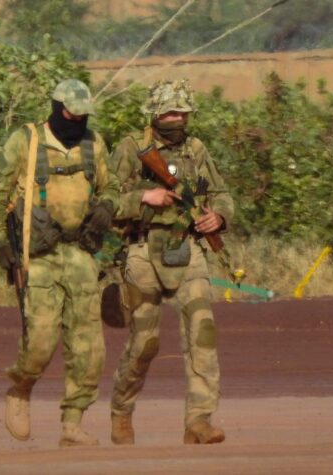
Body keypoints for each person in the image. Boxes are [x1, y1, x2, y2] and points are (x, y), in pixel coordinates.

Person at [0, 79, 120, 447]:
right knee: (41, 341)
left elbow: (112, 186)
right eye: (71, 114)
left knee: (89, 348)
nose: (77, 121)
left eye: (83, 115)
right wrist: (0, 243)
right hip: (38, 257)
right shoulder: (25, 141)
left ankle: (73, 423)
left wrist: (108, 206)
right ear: (57, 108)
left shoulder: (94, 143)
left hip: (81, 254)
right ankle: (21, 388)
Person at [108, 79, 233, 445]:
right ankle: (121, 410)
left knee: (202, 331)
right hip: (142, 252)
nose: (176, 118)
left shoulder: (196, 149)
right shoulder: (131, 148)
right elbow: (105, 200)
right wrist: (143, 197)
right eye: (169, 112)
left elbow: (221, 192)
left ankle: (199, 420)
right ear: (155, 113)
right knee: (145, 343)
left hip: (187, 249)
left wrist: (219, 217)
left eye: (182, 112)